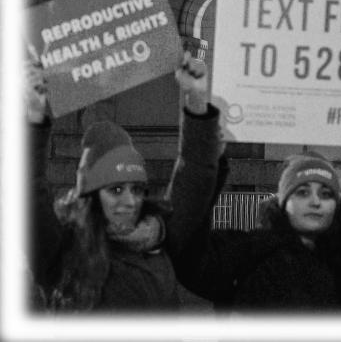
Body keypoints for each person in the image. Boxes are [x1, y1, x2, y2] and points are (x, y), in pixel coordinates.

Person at [27, 52, 221, 311]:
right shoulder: (60, 250)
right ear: (92, 195)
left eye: (137, 189)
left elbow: (195, 175)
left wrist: (196, 97)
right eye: (115, 190)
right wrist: (34, 115)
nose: (130, 201)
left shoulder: (160, 236)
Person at [172, 145, 341, 311]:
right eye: (302, 192)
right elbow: (188, 252)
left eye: (325, 193)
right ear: (282, 202)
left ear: (337, 204)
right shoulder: (245, 255)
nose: (315, 201)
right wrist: (204, 160)